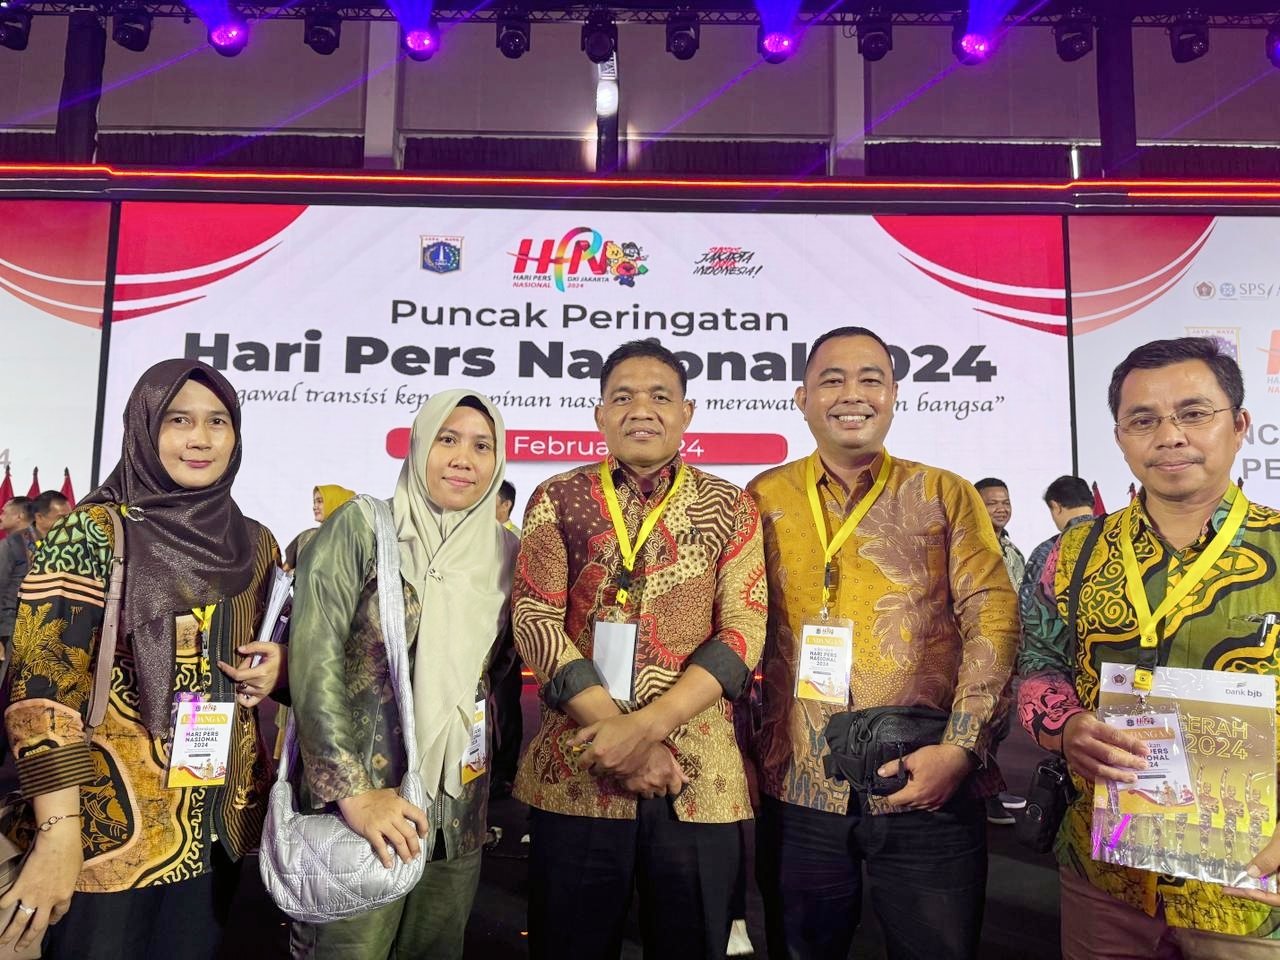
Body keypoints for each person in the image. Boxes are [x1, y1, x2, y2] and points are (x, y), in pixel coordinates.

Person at [0, 359, 286, 960]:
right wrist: (58, 834)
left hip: (215, 827)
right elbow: (40, 698)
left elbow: (270, 648)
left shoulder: (255, 543)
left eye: (218, 422)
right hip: (103, 834)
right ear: (144, 428)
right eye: (178, 420)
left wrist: (275, 667)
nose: (200, 438)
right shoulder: (90, 535)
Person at [749, 326, 1019, 960]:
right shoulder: (762, 497)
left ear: (894, 395)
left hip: (927, 776)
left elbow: (994, 617)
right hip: (797, 786)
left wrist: (962, 747)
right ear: (802, 398)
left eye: (870, 379)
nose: (852, 394)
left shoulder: (944, 493)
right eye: (832, 380)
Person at [1018, 336, 1280, 959]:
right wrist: (1064, 725)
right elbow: (1038, 664)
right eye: (1144, 420)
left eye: (1194, 413)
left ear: (1239, 425)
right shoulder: (1069, 555)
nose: (1170, 436)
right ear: (1119, 437)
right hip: (1105, 873)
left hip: (1249, 882)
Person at [513, 338, 766, 960]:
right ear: (600, 413)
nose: (641, 410)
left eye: (660, 396)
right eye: (623, 397)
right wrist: (619, 740)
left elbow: (743, 629)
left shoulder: (731, 505)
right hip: (576, 769)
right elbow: (535, 618)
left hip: (695, 777)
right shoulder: (558, 495)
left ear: (687, 412)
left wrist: (644, 731)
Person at [287, 390, 519, 960]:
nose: (464, 459)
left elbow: (495, 672)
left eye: (482, 446)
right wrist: (354, 793)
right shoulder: (362, 528)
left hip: (456, 807)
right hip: (365, 808)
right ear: (419, 446)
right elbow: (314, 664)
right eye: (448, 439)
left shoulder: (506, 554)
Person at [0, 490, 70, 668]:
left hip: (48, 632)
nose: (68, 523)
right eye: (61, 518)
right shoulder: (14, 543)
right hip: (12, 630)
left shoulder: (65, 547)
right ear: (39, 517)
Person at [282, 483, 355, 571]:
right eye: (314, 502)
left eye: (320, 501)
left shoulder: (354, 541)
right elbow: (282, 573)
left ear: (335, 503)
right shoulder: (306, 537)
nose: (314, 507)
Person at [975, 477, 1027, 587]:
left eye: (1006, 503)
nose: (1002, 509)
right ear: (975, 506)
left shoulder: (1012, 550)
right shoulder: (968, 548)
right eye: (992, 503)